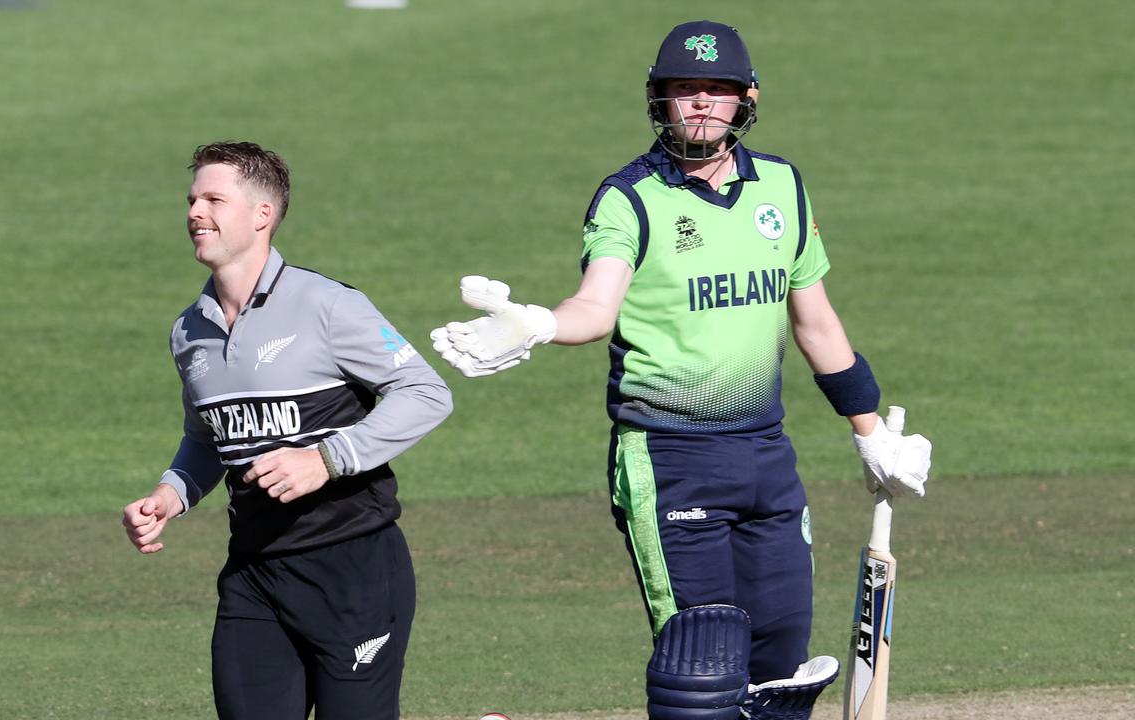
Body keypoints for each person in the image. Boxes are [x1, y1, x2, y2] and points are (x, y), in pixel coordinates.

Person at [430, 20, 931, 720]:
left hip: (766, 458)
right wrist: (540, 322)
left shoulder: (782, 188)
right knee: (701, 667)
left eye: (716, 90)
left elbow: (815, 322)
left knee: (784, 663)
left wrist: (870, 432)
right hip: (669, 462)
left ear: (746, 97)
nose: (700, 103)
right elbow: (595, 306)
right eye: (683, 90)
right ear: (659, 100)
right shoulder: (629, 198)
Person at [122, 141, 452, 720]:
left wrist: (325, 458)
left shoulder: (328, 306)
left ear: (261, 215)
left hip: (353, 573)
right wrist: (170, 493)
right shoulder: (189, 332)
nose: (196, 212)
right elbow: (207, 440)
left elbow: (426, 393)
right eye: (192, 199)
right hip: (254, 575)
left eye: (214, 199)